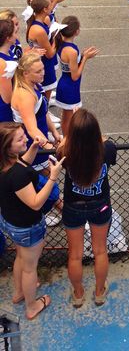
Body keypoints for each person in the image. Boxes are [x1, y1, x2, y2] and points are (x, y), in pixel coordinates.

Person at [0, 122, 64, 320]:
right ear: (6, 147)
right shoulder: (17, 175)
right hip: (27, 226)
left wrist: (34, 148)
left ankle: (19, 292)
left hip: (11, 221)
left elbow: (23, 165)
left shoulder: (7, 163)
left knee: (21, 257)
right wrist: (53, 177)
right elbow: (35, 203)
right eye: (19, 139)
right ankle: (32, 306)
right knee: (30, 268)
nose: (25, 139)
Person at [57, 109, 116, 307]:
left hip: (73, 206)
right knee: (100, 250)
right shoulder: (107, 149)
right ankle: (99, 292)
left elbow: (63, 145)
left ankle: (78, 293)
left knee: (75, 254)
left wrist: (72, 132)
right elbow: (104, 142)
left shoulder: (66, 151)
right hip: (99, 204)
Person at [53, 17, 99, 137]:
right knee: (70, 117)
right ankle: (68, 140)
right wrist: (85, 58)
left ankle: (66, 138)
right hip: (70, 87)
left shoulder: (62, 43)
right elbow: (75, 75)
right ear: (76, 31)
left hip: (65, 83)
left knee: (66, 116)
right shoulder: (71, 51)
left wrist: (82, 55)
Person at [0, 19, 18, 122]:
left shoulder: (9, 51)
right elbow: (7, 98)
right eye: (15, 33)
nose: (16, 35)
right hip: (5, 111)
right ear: (8, 38)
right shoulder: (2, 64)